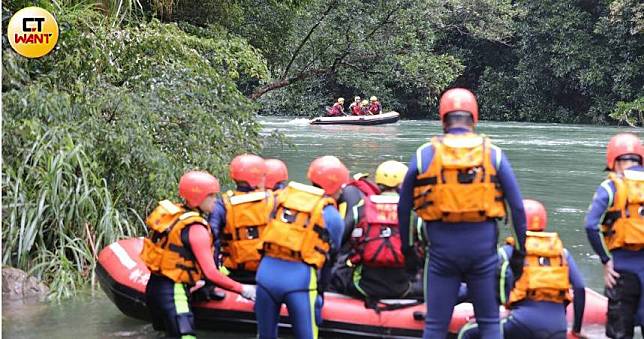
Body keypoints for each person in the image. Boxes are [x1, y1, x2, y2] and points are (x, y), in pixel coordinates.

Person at [398, 88, 527, 339]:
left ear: (443, 118)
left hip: (441, 254)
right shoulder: (494, 154)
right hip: (483, 254)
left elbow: (404, 209)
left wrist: (408, 250)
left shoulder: (424, 154)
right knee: (490, 323)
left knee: (435, 325)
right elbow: (518, 208)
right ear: (474, 117)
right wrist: (521, 251)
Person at [141, 171, 255, 339]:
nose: (215, 200)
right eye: (211, 196)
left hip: (155, 288)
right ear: (198, 198)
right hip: (174, 292)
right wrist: (243, 289)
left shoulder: (175, 216)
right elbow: (211, 273)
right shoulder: (196, 229)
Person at [458, 199, 586, 339]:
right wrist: (576, 330)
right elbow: (579, 288)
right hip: (559, 328)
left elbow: (493, 288)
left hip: (522, 323)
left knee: (467, 332)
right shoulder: (562, 254)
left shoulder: (507, 252)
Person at [255, 156, 348, 339]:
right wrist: (320, 294)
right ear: (336, 186)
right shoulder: (333, 216)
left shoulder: (281, 199)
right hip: (299, 282)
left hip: (264, 276)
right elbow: (329, 261)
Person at [584, 132, 644, 339]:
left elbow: (591, 225)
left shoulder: (610, 187)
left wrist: (605, 259)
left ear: (614, 161)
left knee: (620, 333)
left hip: (622, 272)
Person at [345, 160, 419, 302]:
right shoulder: (412, 213)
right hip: (403, 286)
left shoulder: (361, 208)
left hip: (362, 286)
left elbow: (338, 241)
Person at [208, 154, 272, 284]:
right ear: (259, 177)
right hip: (270, 275)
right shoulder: (275, 201)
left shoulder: (222, 205)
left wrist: (211, 280)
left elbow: (212, 242)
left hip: (235, 274)